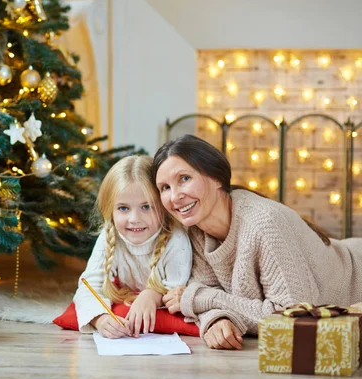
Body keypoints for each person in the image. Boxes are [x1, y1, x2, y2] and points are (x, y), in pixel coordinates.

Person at [153, 134, 362, 350]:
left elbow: (292, 318)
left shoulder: (264, 223)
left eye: (184, 179)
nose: (175, 196)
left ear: (216, 178)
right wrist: (216, 319)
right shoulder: (195, 231)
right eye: (165, 188)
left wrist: (201, 299)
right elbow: (207, 293)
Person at [73, 155, 192, 338]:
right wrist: (101, 319)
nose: (134, 219)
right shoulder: (109, 236)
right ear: (110, 210)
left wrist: (152, 295)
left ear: (162, 206)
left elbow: (177, 290)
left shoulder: (176, 240)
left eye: (146, 207)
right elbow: (88, 287)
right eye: (123, 208)